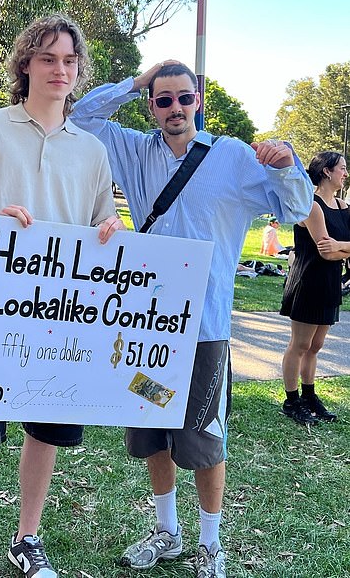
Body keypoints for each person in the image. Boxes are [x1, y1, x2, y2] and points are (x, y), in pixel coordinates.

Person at [71, 61, 313, 578]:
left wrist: (287, 162)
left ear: (198, 100)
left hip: (205, 331)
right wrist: (137, 80)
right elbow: (82, 115)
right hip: (146, 327)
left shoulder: (231, 156)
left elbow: (294, 208)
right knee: (152, 432)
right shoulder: (136, 152)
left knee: (204, 439)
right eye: (162, 100)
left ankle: (210, 543)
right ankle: (167, 531)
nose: (174, 108)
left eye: (183, 98)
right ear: (152, 106)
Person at [0, 14, 124, 578]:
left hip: (63, 324)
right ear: (26, 65)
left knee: (43, 439)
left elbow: (102, 218)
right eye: (47, 58)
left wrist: (114, 227)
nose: (59, 69)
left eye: (69, 60)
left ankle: (27, 538)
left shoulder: (91, 150)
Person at [280, 151, 350, 424]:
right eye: (342, 168)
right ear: (326, 172)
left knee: (316, 345)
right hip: (308, 280)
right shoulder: (310, 205)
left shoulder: (344, 207)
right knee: (300, 344)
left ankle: (309, 395)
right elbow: (326, 252)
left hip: (331, 282)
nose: (345, 173)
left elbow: (336, 250)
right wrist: (343, 250)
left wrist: (341, 247)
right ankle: (291, 400)